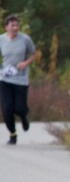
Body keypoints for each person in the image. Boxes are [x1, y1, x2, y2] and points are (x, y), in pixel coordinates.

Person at [0, 15, 37, 145]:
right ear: (6, 27)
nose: (15, 28)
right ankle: (13, 134)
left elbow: (34, 54)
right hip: (5, 79)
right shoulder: (1, 40)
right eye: (12, 26)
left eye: (17, 25)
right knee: (7, 109)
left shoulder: (25, 39)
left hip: (21, 79)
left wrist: (25, 63)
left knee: (19, 108)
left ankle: (24, 116)